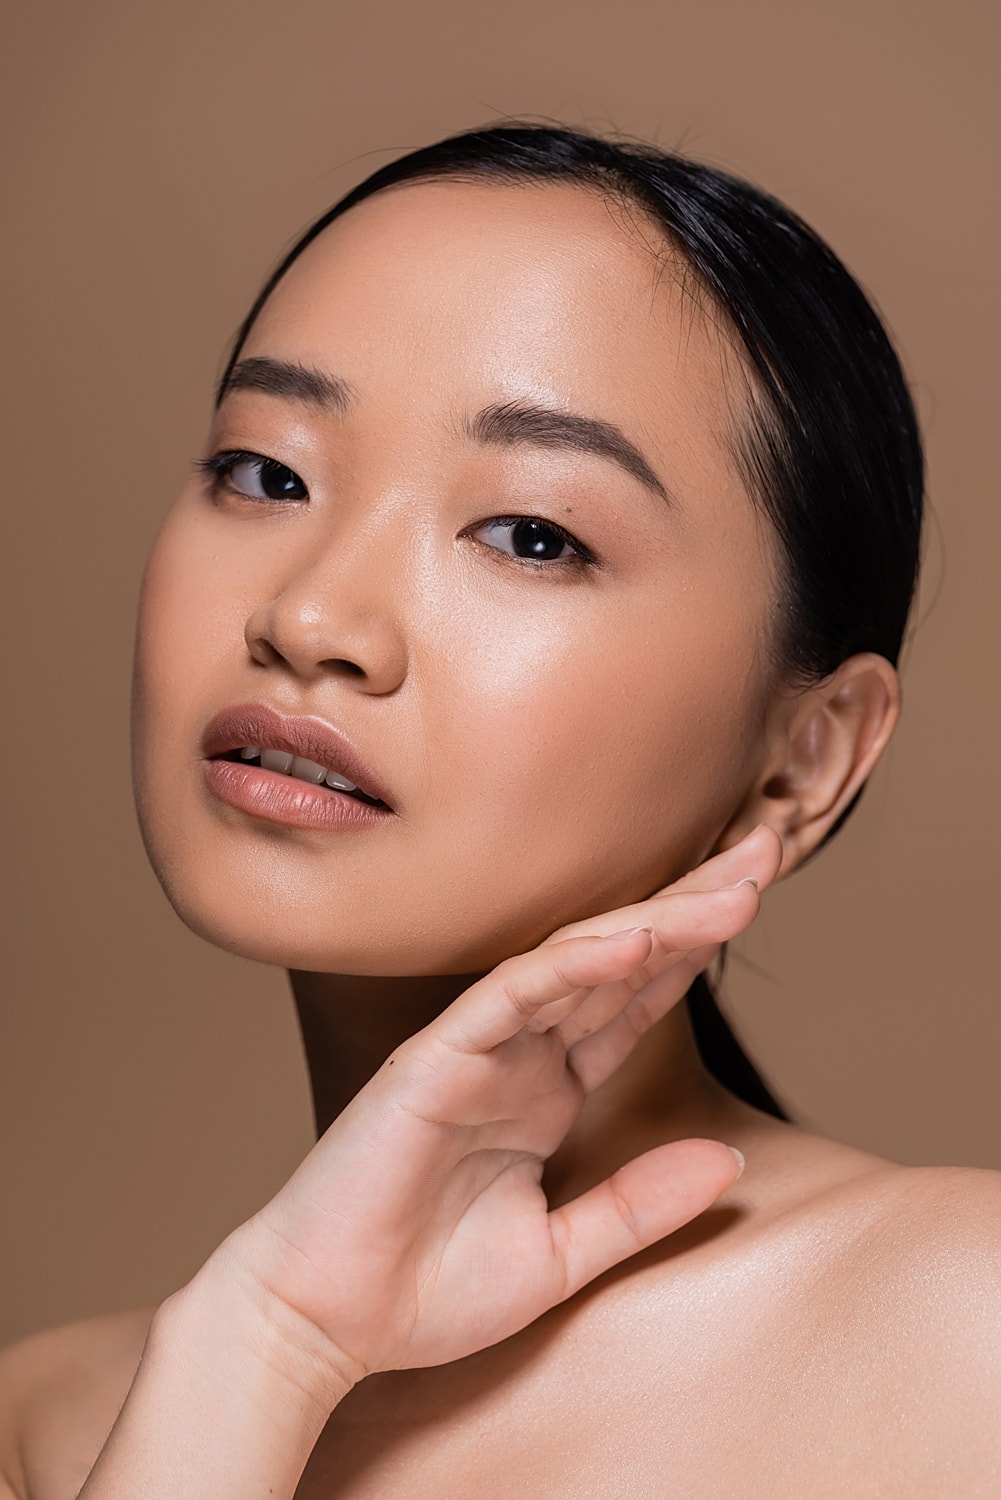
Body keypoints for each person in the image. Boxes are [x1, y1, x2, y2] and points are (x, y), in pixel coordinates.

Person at [1, 124, 998, 1498]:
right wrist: (267, 1346)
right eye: (265, 471)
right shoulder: (51, 1426)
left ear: (804, 754)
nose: (308, 617)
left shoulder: (960, 1335)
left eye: (532, 534)